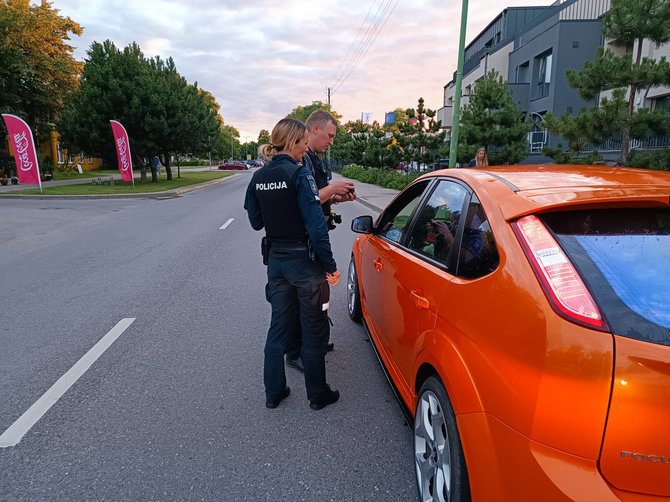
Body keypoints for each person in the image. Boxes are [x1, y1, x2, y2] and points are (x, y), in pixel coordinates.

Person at [244, 118, 341, 411]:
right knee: (313, 330)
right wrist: (330, 265)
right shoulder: (299, 176)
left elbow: (255, 222)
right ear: (293, 142)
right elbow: (316, 227)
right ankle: (318, 394)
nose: (304, 149)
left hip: (276, 263)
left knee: (278, 329)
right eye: (301, 144)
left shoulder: (259, 178)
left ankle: (274, 392)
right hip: (304, 263)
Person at [285, 109, 356, 373]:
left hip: (315, 237)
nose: (331, 141)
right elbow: (304, 200)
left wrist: (336, 197)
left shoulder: (314, 159)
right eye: (329, 135)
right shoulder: (301, 161)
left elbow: (319, 198)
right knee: (302, 299)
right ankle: (295, 351)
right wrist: (332, 190)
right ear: (314, 130)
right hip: (304, 240)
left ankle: (313, 342)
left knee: (315, 298)